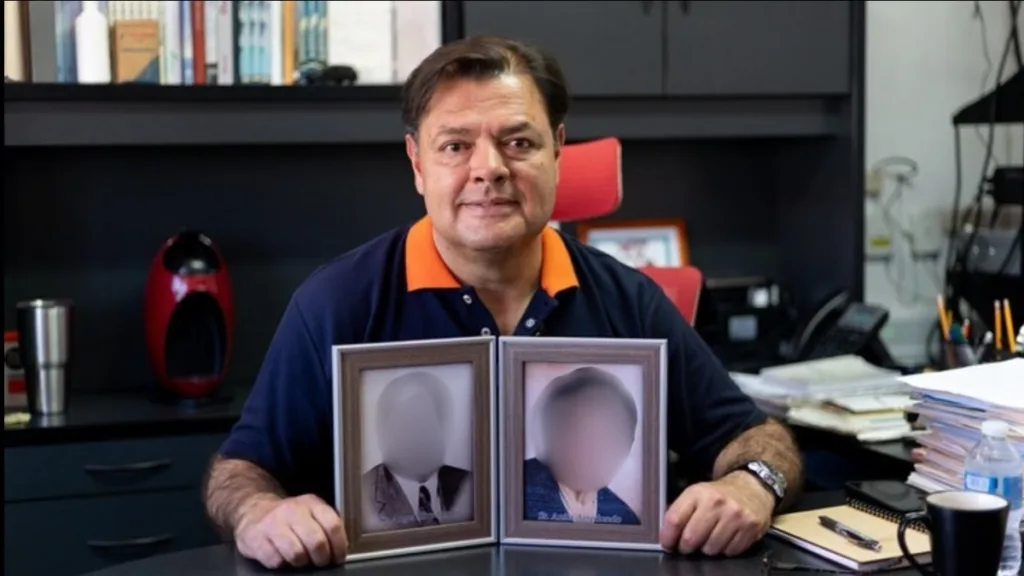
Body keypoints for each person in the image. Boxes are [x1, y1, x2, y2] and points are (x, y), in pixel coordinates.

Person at [203, 35, 804, 570]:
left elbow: (758, 439)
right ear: (417, 163)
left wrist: (754, 484)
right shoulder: (337, 303)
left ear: (557, 150)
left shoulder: (630, 300)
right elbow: (239, 472)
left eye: (518, 142)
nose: (488, 169)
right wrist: (258, 512)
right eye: (455, 146)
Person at [524, 367, 640, 525]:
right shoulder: (516, 489)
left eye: (607, 438)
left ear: (626, 448)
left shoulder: (625, 517)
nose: (592, 451)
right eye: (580, 432)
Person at [361, 370, 473, 533]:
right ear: (383, 432)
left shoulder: (470, 484)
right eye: (406, 422)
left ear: (441, 428)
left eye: (424, 421)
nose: (416, 434)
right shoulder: (362, 493)